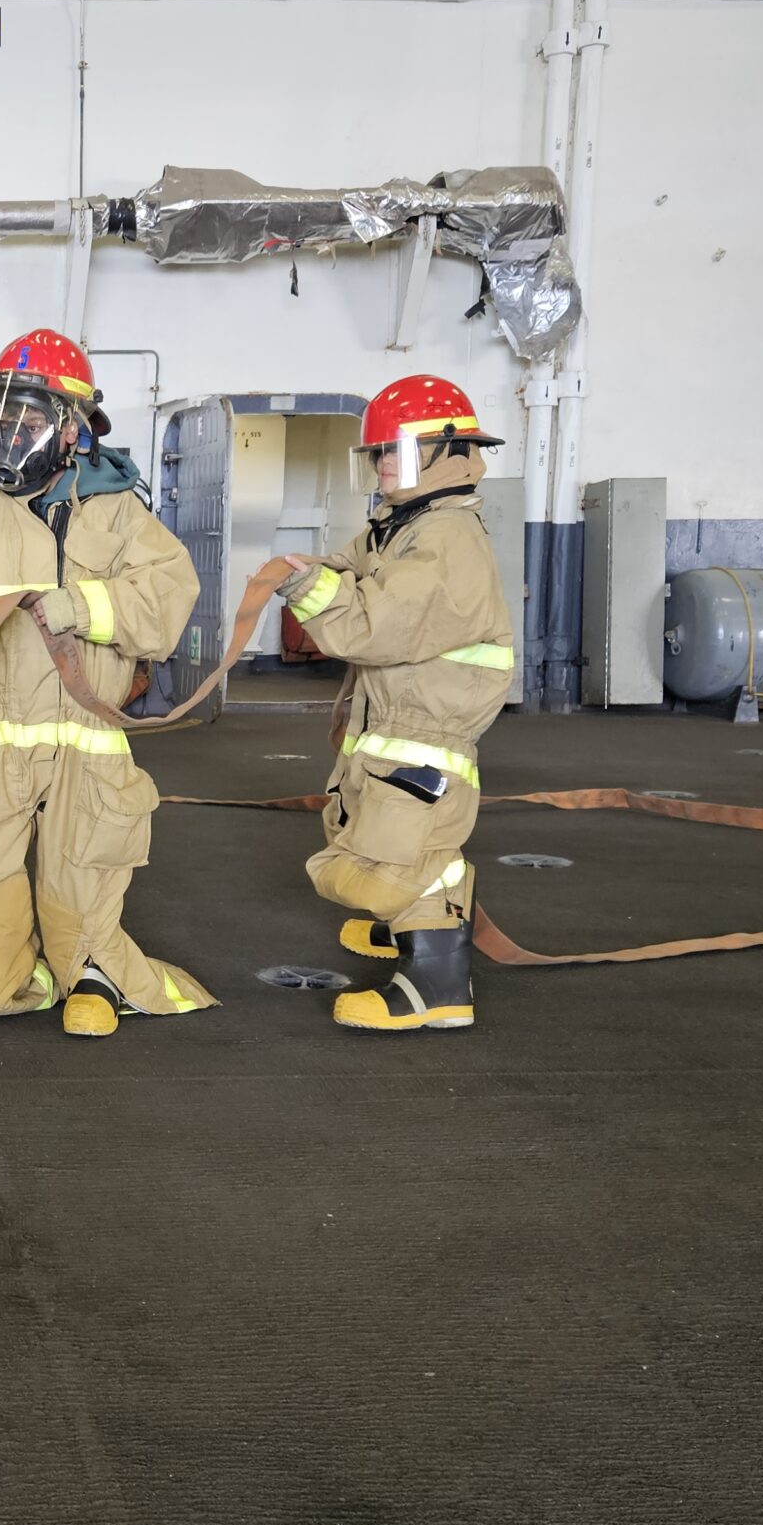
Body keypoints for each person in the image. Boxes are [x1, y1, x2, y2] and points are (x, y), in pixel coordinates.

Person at [0, 329, 215, 1039]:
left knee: (84, 859)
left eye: (29, 417)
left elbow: (169, 594)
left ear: (71, 428)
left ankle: (92, 970)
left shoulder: (116, 507)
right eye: (3, 415)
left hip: (83, 731)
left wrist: (87, 608)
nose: (12, 431)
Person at [278, 373, 513, 1032]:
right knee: (374, 832)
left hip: (426, 729)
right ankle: (410, 931)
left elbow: (371, 625)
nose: (384, 464)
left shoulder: (447, 538)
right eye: (378, 452)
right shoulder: (401, 526)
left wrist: (309, 591)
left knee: (409, 854)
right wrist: (314, 572)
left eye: (399, 451)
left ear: (450, 453)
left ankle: (437, 987)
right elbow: (349, 567)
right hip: (395, 721)